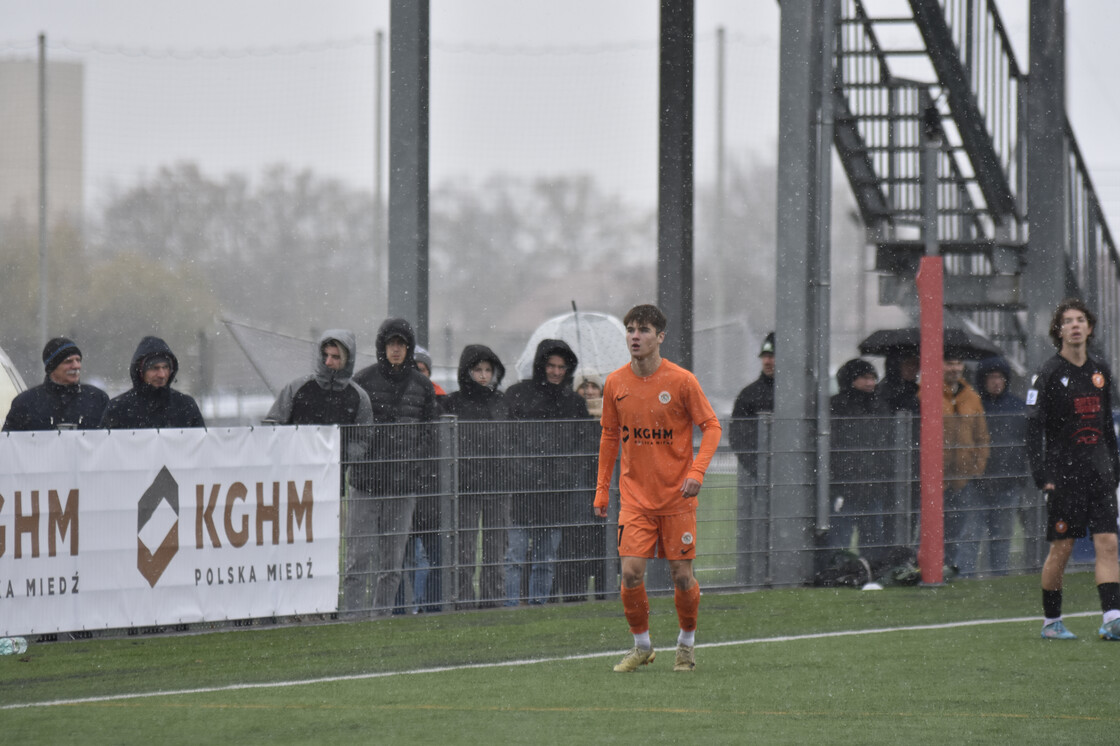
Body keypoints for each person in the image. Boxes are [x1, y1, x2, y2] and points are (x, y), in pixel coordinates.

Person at [594, 304, 721, 673]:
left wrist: (697, 471)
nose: (635, 335)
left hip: (677, 498)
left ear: (660, 337)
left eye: (644, 330)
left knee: (682, 577)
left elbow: (711, 426)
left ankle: (686, 644)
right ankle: (642, 646)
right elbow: (609, 435)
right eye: (630, 329)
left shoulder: (681, 381)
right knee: (631, 572)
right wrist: (602, 489)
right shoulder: (616, 383)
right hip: (635, 498)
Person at [1026, 298, 1120, 640]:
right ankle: (1052, 623)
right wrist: (1042, 475)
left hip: (1099, 474)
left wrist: (1114, 466)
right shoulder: (1048, 374)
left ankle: (1112, 618)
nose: (1075, 325)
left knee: (1108, 542)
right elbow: (1033, 429)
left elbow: (1106, 426)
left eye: (1081, 320)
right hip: (1064, 475)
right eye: (1068, 321)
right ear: (1059, 330)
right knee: (1062, 547)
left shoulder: (1100, 371)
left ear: (1089, 328)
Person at [349, 318, 440, 616]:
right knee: (357, 560)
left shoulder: (423, 386)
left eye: (401, 344)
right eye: (391, 344)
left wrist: (415, 468)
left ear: (409, 347)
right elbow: (353, 430)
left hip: (403, 488)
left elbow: (431, 433)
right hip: (366, 484)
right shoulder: (362, 381)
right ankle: (351, 619)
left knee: (392, 564)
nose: (396, 349)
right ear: (382, 347)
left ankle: (381, 618)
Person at [504, 338, 590, 605]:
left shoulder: (575, 403)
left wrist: (563, 471)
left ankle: (538, 606)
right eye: (551, 365)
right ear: (542, 365)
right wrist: (524, 469)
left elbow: (583, 445)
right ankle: (509, 607)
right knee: (514, 557)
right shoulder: (517, 394)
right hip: (521, 491)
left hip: (556, 492)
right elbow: (506, 439)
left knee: (545, 559)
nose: (555, 371)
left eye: (561, 367)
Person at [441, 344, 510, 608]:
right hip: (464, 487)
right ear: (467, 372)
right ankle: (463, 604)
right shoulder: (452, 402)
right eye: (478, 370)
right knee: (464, 552)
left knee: (495, 553)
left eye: (487, 370)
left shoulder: (503, 402)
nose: (483, 375)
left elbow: (512, 439)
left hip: (498, 487)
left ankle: (494, 602)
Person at [828, 359, 889, 561]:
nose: (870, 383)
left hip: (872, 486)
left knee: (872, 538)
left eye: (873, 378)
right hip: (844, 486)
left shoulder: (880, 407)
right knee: (840, 538)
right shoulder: (836, 407)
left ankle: (867, 571)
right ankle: (839, 572)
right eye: (865, 378)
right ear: (851, 379)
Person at [974, 356, 1027, 576]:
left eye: (1000, 377)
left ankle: (999, 576)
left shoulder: (1017, 407)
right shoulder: (975, 405)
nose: (997, 382)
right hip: (977, 482)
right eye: (991, 377)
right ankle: (966, 575)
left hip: (1008, 481)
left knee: (1002, 536)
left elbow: (1024, 442)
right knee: (972, 534)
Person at [940, 355, 990, 577]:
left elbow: (981, 436)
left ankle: (953, 571)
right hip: (935, 480)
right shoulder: (927, 393)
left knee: (959, 531)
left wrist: (976, 467)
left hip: (962, 479)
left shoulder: (971, 397)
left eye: (958, 363)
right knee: (931, 531)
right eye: (949, 362)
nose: (954, 368)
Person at [265, 330, 374, 428]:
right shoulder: (297, 388)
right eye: (325, 355)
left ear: (347, 360)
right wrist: (293, 447)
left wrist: (344, 450)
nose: (328, 362)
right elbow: (273, 425)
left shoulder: (358, 397)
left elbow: (362, 436)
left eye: (335, 357)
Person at [3, 337, 108, 431]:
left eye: (78, 360)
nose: (76, 366)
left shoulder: (98, 399)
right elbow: (10, 444)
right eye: (68, 361)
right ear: (52, 367)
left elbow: (110, 443)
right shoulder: (25, 403)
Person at [100, 336, 205, 429]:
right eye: (155, 368)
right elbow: (106, 447)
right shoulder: (119, 408)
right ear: (141, 372)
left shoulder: (185, 406)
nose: (162, 375)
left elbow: (201, 447)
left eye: (166, 367)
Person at [729, 332, 775, 475]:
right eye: (765, 356)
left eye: (772, 356)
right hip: (759, 477)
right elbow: (738, 436)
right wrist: (759, 469)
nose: (767, 361)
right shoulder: (749, 395)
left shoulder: (798, 394)